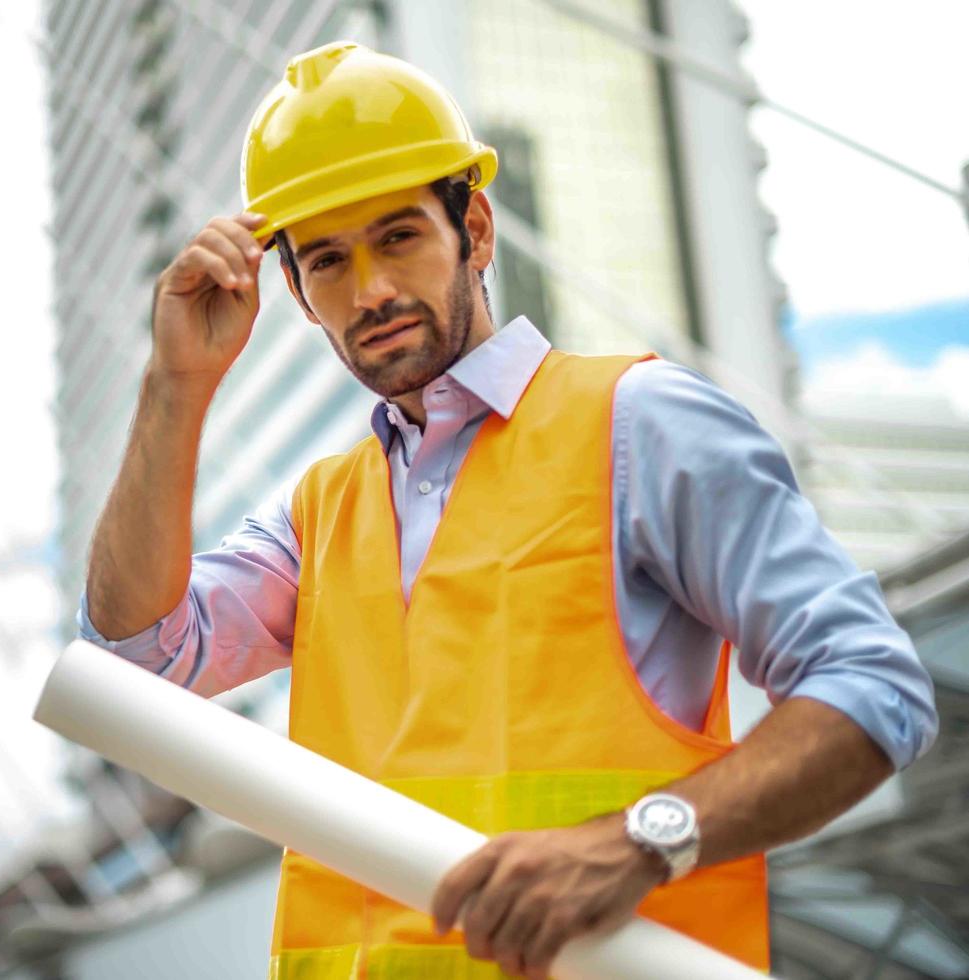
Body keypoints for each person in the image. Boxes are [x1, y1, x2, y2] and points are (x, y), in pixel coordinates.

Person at [77, 41, 938, 980]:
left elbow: (871, 684)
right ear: (296, 291)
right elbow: (135, 664)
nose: (369, 292)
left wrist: (638, 841)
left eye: (398, 236)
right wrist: (176, 382)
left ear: (475, 229)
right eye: (327, 260)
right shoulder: (316, 514)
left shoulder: (639, 426)